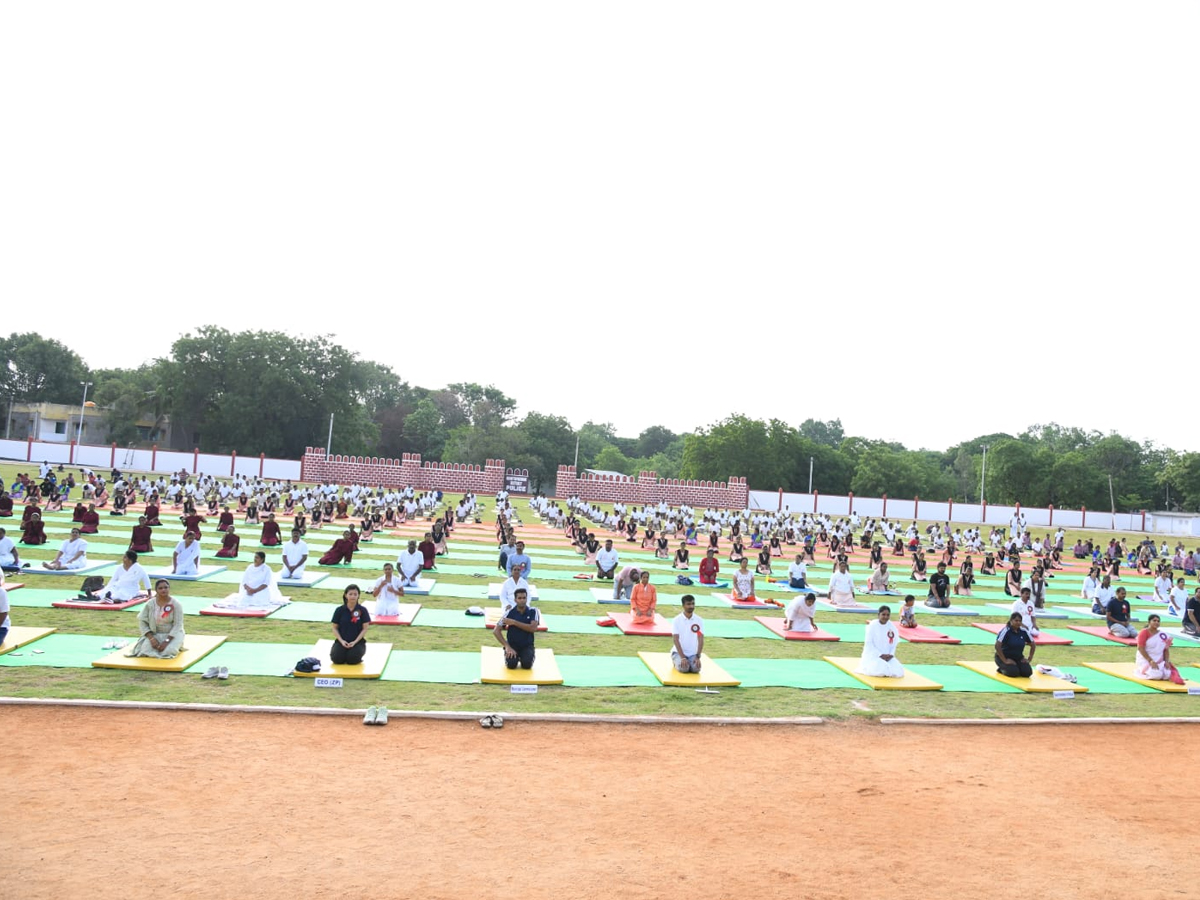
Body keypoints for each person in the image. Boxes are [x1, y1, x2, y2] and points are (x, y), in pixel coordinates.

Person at [126, 580, 184, 659]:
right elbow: (142, 621)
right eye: (160, 588)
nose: (163, 590)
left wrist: (167, 641)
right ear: (156, 590)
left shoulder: (176, 604)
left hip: (172, 635)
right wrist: (151, 639)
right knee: (145, 650)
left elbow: (178, 625)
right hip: (155, 634)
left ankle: (176, 645)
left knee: (168, 652)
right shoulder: (150, 604)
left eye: (165, 587)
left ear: (169, 589)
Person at [494, 587, 539, 670]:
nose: (522, 600)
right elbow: (496, 631)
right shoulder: (509, 613)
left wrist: (514, 622)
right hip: (512, 645)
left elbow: (533, 628)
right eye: (519, 598)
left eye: (524, 598)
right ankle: (510, 654)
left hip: (527, 645)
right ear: (515, 600)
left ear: (527, 599)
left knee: (527, 665)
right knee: (511, 665)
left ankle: (526, 655)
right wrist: (507, 646)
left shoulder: (533, 611)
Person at [330, 585, 371, 665]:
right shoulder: (339, 610)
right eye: (350, 594)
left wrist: (355, 642)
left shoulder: (363, 610)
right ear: (346, 595)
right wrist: (341, 641)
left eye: (355, 594)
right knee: (337, 659)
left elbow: (365, 628)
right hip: (342, 641)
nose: (353, 596)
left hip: (358, 642)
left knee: (352, 659)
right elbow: (334, 628)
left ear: (358, 595)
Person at [1135, 615, 1183, 683]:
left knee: (1167, 674)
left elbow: (1165, 649)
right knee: (1156, 675)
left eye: (1158, 621)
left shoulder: (1162, 635)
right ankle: (1144, 670)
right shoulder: (1144, 632)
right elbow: (1140, 648)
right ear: (1149, 622)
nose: (1156, 622)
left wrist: (1166, 661)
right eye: (1154, 621)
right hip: (1145, 659)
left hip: (1159, 659)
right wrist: (1150, 660)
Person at [859, 606, 904, 677]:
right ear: (878, 615)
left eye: (888, 615)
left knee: (897, 670)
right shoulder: (872, 626)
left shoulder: (892, 627)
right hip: (874, 656)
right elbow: (869, 644)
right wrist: (880, 655)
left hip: (887, 656)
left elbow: (894, 643)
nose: (885, 617)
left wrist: (891, 654)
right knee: (881, 670)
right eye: (883, 614)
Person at [993, 612, 1035, 678]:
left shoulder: (1024, 631)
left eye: (1020, 621)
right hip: (1003, 657)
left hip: (1018, 658)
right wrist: (1005, 660)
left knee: (1027, 673)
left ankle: (1016, 667)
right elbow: (997, 646)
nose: (1018, 622)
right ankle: (1001, 669)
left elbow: (1033, 644)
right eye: (1016, 620)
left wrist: (1029, 658)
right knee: (1013, 673)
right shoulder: (1006, 630)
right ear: (1011, 621)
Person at [671, 594, 704, 673]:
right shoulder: (676, 620)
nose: (691, 606)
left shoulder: (699, 620)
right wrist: (682, 657)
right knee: (684, 669)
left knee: (696, 669)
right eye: (688, 604)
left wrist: (698, 656)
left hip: (693, 654)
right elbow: (676, 640)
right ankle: (676, 661)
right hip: (678, 653)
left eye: (693, 604)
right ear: (683, 605)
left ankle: (689, 662)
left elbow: (700, 638)